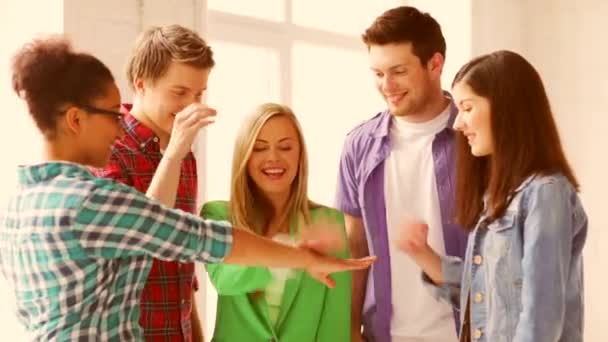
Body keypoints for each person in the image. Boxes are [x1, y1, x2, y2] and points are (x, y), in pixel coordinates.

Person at [0, 36, 374, 342]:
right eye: (113, 114)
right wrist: (304, 257)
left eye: (200, 93)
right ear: (76, 119)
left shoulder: (21, 204)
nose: (119, 124)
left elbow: (166, 251)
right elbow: (191, 237)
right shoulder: (89, 198)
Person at [398, 50, 587, 342]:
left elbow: (540, 318)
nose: (458, 124)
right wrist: (423, 254)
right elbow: (484, 294)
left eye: (468, 108)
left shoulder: (546, 195)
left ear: (506, 109)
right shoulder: (499, 198)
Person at [335, 6, 467, 342]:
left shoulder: (474, 140)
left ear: (435, 64)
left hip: (466, 332)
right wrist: (350, 330)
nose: (386, 85)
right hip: (383, 335)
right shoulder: (358, 145)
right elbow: (353, 246)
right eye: (378, 73)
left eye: (398, 71)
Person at [92, 24, 214, 341]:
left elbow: (182, 267)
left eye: (199, 93)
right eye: (179, 92)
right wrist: (173, 153)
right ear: (141, 84)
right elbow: (142, 239)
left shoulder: (184, 154)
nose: (192, 105)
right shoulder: (107, 151)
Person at [202, 103, 352, 341]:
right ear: (244, 156)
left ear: (300, 154)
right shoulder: (218, 215)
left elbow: (334, 324)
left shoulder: (327, 222)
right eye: (259, 148)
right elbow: (226, 280)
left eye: (285, 147)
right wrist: (294, 256)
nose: (273, 158)